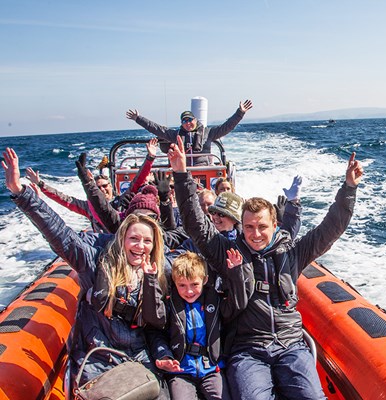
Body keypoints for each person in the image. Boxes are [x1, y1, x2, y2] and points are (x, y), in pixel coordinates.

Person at [168, 136, 364, 400]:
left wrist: (348, 188)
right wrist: (181, 175)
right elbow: (196, 224)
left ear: (275, 225)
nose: (255, 234)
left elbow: (330, 229)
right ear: (241, 226)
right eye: (249, 227)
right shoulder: (227, 252)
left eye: (262, 227)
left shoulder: (292, 253)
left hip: (290, 345)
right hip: (247, 350)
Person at [2, 147, 170, 399]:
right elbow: (61, 235)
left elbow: (159, 319)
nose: (140, 246)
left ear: (155, 244)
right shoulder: (95, 260)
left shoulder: (160, 270)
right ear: (122, 238)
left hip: (140, 355)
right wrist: (21, 193)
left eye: (147, 241)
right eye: (134, 238)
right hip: (98, 355)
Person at [148, 250, 247, 400]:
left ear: (205, 280)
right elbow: (156, 330)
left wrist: (235, 274)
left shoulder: (215, 300)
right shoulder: (169, 304)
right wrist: (164, 356)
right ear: (174, 283)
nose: (188, 291)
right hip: (181, 370)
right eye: (182, 285)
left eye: (194, 284)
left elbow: (237, 305)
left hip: (212, 368)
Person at [126, 100, 253, 166]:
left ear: (195, 120)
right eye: (184, 121)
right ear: (181, 123)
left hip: (203, 169)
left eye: (190, 120)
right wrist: (138, 118)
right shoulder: (174, 134)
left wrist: (240, 112)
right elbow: (156, 128)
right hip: (183, 170)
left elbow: (228, 126)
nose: (188, 123)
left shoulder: (208, 132)